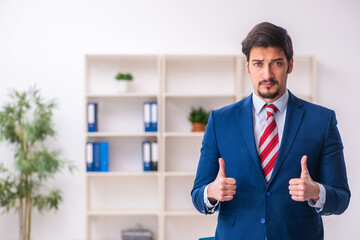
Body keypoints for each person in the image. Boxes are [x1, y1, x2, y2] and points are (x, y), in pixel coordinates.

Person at [191, 22, 350, 240]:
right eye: (258, 64)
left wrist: (316, 193)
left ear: (290, 65)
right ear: (247, 66)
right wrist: (210, 193)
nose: (267, 74)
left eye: (276, 63)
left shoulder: (322, 120)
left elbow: (341, 198)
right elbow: (197, 194)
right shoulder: (220, 121)